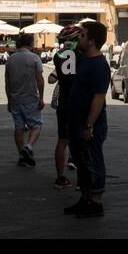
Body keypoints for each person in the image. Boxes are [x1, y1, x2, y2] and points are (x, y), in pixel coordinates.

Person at [64, 21, 112, 218]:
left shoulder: (100, 65)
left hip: (90, 123)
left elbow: (99, 98)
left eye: (82, 35)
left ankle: (96, 201)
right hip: (76, 119)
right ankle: (85, 198)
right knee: (81, 162)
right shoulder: (83, 59)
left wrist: (89, 124)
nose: (79, 38)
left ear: (91, 41)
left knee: (93, 160)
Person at [48, 24, 82, 189]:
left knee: (62, 140)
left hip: (63, 102)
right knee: (81, 141)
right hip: (78, 102)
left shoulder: (58, 56)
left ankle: (60, 177)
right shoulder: (81, 56)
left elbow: (56, 76)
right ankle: (83, 179)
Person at [4, 32, 45, 167]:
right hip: (30, 97)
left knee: (19, 127)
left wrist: (9, 99)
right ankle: (29, 146)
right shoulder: (34, 58)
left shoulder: (11, 59)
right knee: (36, 125)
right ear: (31, 43)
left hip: (15, 98)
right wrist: (42, 97)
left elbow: (7, 82)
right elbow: (39, 79)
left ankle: (21, 155)